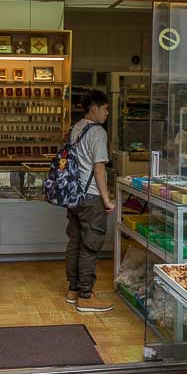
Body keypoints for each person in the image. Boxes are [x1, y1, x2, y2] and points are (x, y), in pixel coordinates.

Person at [64, 90, 115, 313]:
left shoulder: (76, 128)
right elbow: (99, 169)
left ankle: (73, 290)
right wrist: (107, 201)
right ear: (94, 107)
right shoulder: (98, 132)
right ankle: (86, 296)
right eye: (105, 109)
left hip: (74, 196)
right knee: (90, 245)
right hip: (91, 197)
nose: (107, 113)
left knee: (75, 243)